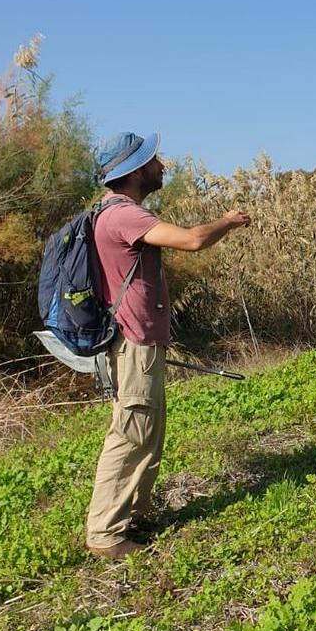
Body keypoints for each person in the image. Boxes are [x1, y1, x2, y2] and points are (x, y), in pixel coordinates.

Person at [86, 131, 250, 559]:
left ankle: (133, 516)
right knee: (130, 431)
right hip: (133, 341)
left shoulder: (114, 213)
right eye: (154, 161)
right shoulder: (124, 216)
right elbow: (193, 239)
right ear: (136, 171)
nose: (162, 167)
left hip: (139, 340)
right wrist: (229, 221)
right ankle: (105, 533)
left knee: (148, 431)